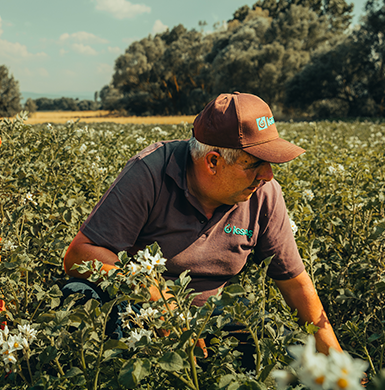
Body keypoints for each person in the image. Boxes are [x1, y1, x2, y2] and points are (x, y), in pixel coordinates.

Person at [63, 92, 341, 355]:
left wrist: (337, 359)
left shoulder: (264, 193)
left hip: (212, 315)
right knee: (81, 300)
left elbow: (294, 282)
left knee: (268, 334)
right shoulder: (150, 172)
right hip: (138, 309)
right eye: (256, 163)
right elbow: (80, 254)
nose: (267, 175)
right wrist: (159, 300)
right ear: (212, 162)